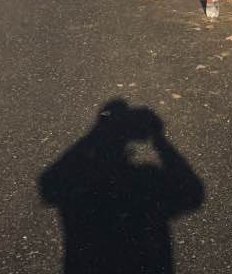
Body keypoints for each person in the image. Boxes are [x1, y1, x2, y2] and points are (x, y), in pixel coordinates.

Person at [39, 100, 204, 274]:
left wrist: (99, 132)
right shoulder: (147, 180)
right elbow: (192, 192)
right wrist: (160, 140)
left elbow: (50, 183)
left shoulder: (82, 183)